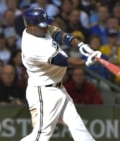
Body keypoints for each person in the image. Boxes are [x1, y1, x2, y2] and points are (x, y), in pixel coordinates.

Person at [20, 7, 101, 141]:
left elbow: (60, 34)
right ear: (30, 25)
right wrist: (86, 61)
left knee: (77, 125)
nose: (46, 27)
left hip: (58, 88)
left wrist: (80, 45)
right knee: (41, 136)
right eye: (42, 25)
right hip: (43, 92)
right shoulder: (33, 46)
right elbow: (64, 61)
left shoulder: (38, 29)